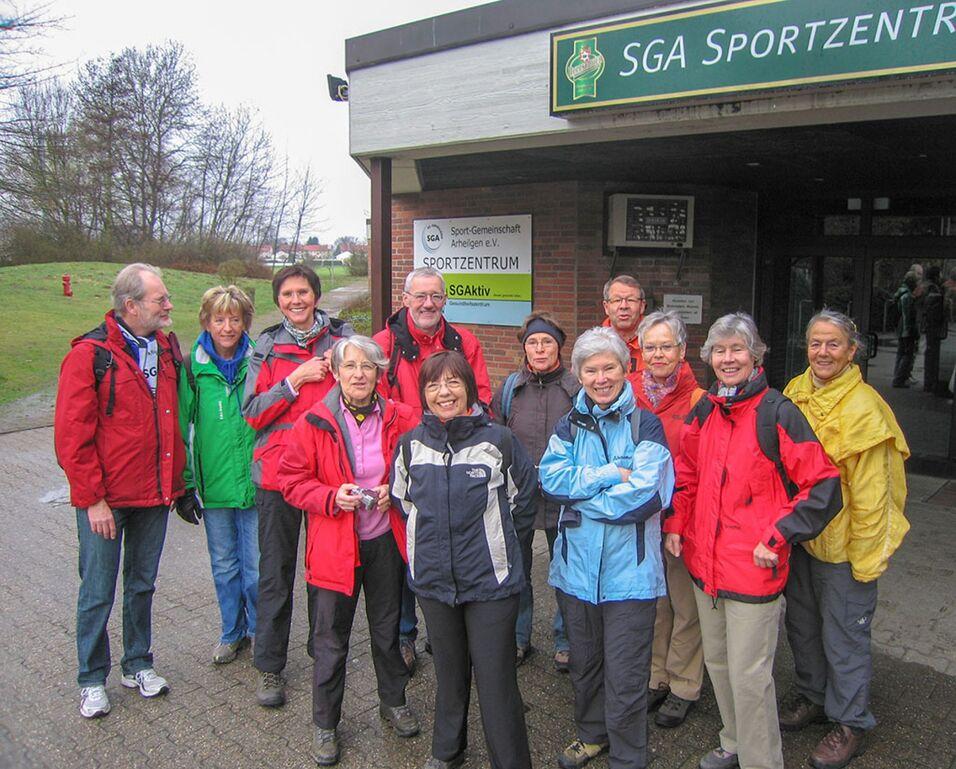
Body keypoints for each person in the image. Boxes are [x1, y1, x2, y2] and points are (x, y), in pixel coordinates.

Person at [663, 312, 842, 769]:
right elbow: (688, 475)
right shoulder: (705, 410)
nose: (728, 358)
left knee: (750, 675)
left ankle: (762, 761)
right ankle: (734, 741)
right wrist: (677, 525)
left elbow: (823, 486)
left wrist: (779, 534)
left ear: (755, 355)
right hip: (705, 566)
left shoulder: (778, 413)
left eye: (737, 349)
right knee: (720, 666)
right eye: (719, 351)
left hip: (754, 569)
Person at [278, 336, 420, 766]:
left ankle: (393, 701)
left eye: (368, 366)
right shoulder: (314, 421)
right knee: (330, 638)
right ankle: (325, 723)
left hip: (382, 542)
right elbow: (290, 480)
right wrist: (327, 496)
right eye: (350, 366)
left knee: (386, 628)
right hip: (334, 546)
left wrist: (392, 491)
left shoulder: (400, 416)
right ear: (336, 373)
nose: (359, 374)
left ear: (379, 373)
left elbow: (420, 468)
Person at [391, 351, 536, 769]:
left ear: (469, 388)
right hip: (435, 583)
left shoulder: (498, 442)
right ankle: (447, 750)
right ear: (423, 394)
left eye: (453, 382)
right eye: (434, 384)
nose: (444, 392)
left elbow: (522, 501)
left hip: (491, 585)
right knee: (449, 675)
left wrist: (496, 548)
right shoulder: (410, 446)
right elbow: (403, 502)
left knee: (496, 682)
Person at [54, 263, 185, 718]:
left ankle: (137, 663)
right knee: (97, 589)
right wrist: (92, 499)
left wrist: (178, 484)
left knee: (142, 584)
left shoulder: (167, 348)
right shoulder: (88, 354)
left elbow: (173, 420)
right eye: (160, 300)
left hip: (154, 495)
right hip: (105, 501)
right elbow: (72, 435)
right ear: (130, 306)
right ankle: (92, 678)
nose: (169, 306)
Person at [540, 326, 674, 769]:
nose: (601, 378)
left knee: (626, 671)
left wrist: (584, 492)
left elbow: (646, 496)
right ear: (579, 374)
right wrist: (607, 475)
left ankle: (630, 755)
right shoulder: (568, 423)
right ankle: (592, 735)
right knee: (586, 663)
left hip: (629, 575)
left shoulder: (645, 423)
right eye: (591, 369)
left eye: (609, 368)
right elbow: (551, 480)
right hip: (575, 570)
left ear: (625, 369)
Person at [781, 310, 910, 769]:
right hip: (801, 538)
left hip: (845, 547)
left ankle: (851, 721)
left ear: (852, 351)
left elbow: (876, 495)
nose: (823, 352)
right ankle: (813, 696)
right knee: (802, 626)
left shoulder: (866, 409)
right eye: (816, 343)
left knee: (845, 637)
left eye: (833, 344)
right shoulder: (794, 392)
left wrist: (869, 557)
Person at [242, 265, 355, 708]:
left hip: (326, 476)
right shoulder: (267, 346)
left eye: (303, 292)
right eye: (287, 293)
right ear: (278, 299)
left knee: (322, 573)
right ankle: (270, 665)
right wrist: (295, 381)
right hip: (276, 477)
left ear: (316, 295)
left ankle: (320, 653)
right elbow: (252, 411)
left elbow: (359, 394)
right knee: (276, 573)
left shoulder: (341, 340)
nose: (296, 300)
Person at [373, 266, 492, 673]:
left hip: (458, 460)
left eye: (435, 297)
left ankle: (444, 635)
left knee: (450, 546)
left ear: (445, 300)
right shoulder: (383, 346)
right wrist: (426, 420)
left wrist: (456, 423)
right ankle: (405, 634)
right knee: (406, 549)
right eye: (419, 296)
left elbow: (482, 397)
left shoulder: (465, 343)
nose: (427, 304)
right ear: (404, 299)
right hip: (403, 462)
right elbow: (378, 408)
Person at [628, 310, 705, 729]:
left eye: (666, 346)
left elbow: (698, 469)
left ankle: (684, 684)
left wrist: (678, 519)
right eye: (650, 346)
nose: (658, 354)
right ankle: (656, 676)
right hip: (641, 517)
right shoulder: (627, 392)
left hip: (680, 519)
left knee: (685, 604)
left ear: (682, 350)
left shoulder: (699, 401)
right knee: (655, 604)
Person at [490, 311, 579, 670]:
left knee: (567, 568)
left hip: (564, 497)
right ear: (524, 348)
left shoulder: (575, 390)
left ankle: (567, 639)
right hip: (519, 495)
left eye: (547, 342)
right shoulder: (511, 389)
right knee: (518, 569)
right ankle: (518, 636)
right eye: (533, 342)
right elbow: (493, 436)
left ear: (559, 347)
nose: (540, 349)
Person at [176, 285, 258, 665]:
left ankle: (259, 630)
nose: (227, 327)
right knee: (225, 567)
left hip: (255, 487)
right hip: (215, 489)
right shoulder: (193, 369)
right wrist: (187, 484)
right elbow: (182, 428)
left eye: (235, 319)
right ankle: (231, 631)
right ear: (206, 322)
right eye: (219, 319)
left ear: (245, 322)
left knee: (257, 568)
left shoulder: (257, 362)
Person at [601, 274, 647, 373]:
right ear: (606, 307)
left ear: (642, 306)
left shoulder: (658, 341)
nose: (623, 306)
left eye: (630, 300)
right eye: (617, 300)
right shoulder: (593, 343)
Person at [917, 265, 950, 395]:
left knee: (929, 354)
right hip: (932, 327)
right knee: (932, 355)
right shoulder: (933, 289)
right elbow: (935, 311)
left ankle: (929, 383)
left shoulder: (924, 287)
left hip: (926, 326)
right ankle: (931, 384)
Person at [891, 271, 919, 388]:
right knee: (907, 354)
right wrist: (909, 331)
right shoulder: (906, 296)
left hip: (900, 327)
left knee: (900, 353)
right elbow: (907, 314)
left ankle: (897, 376)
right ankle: (899, 378)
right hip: (906, 329)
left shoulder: (900, 293)